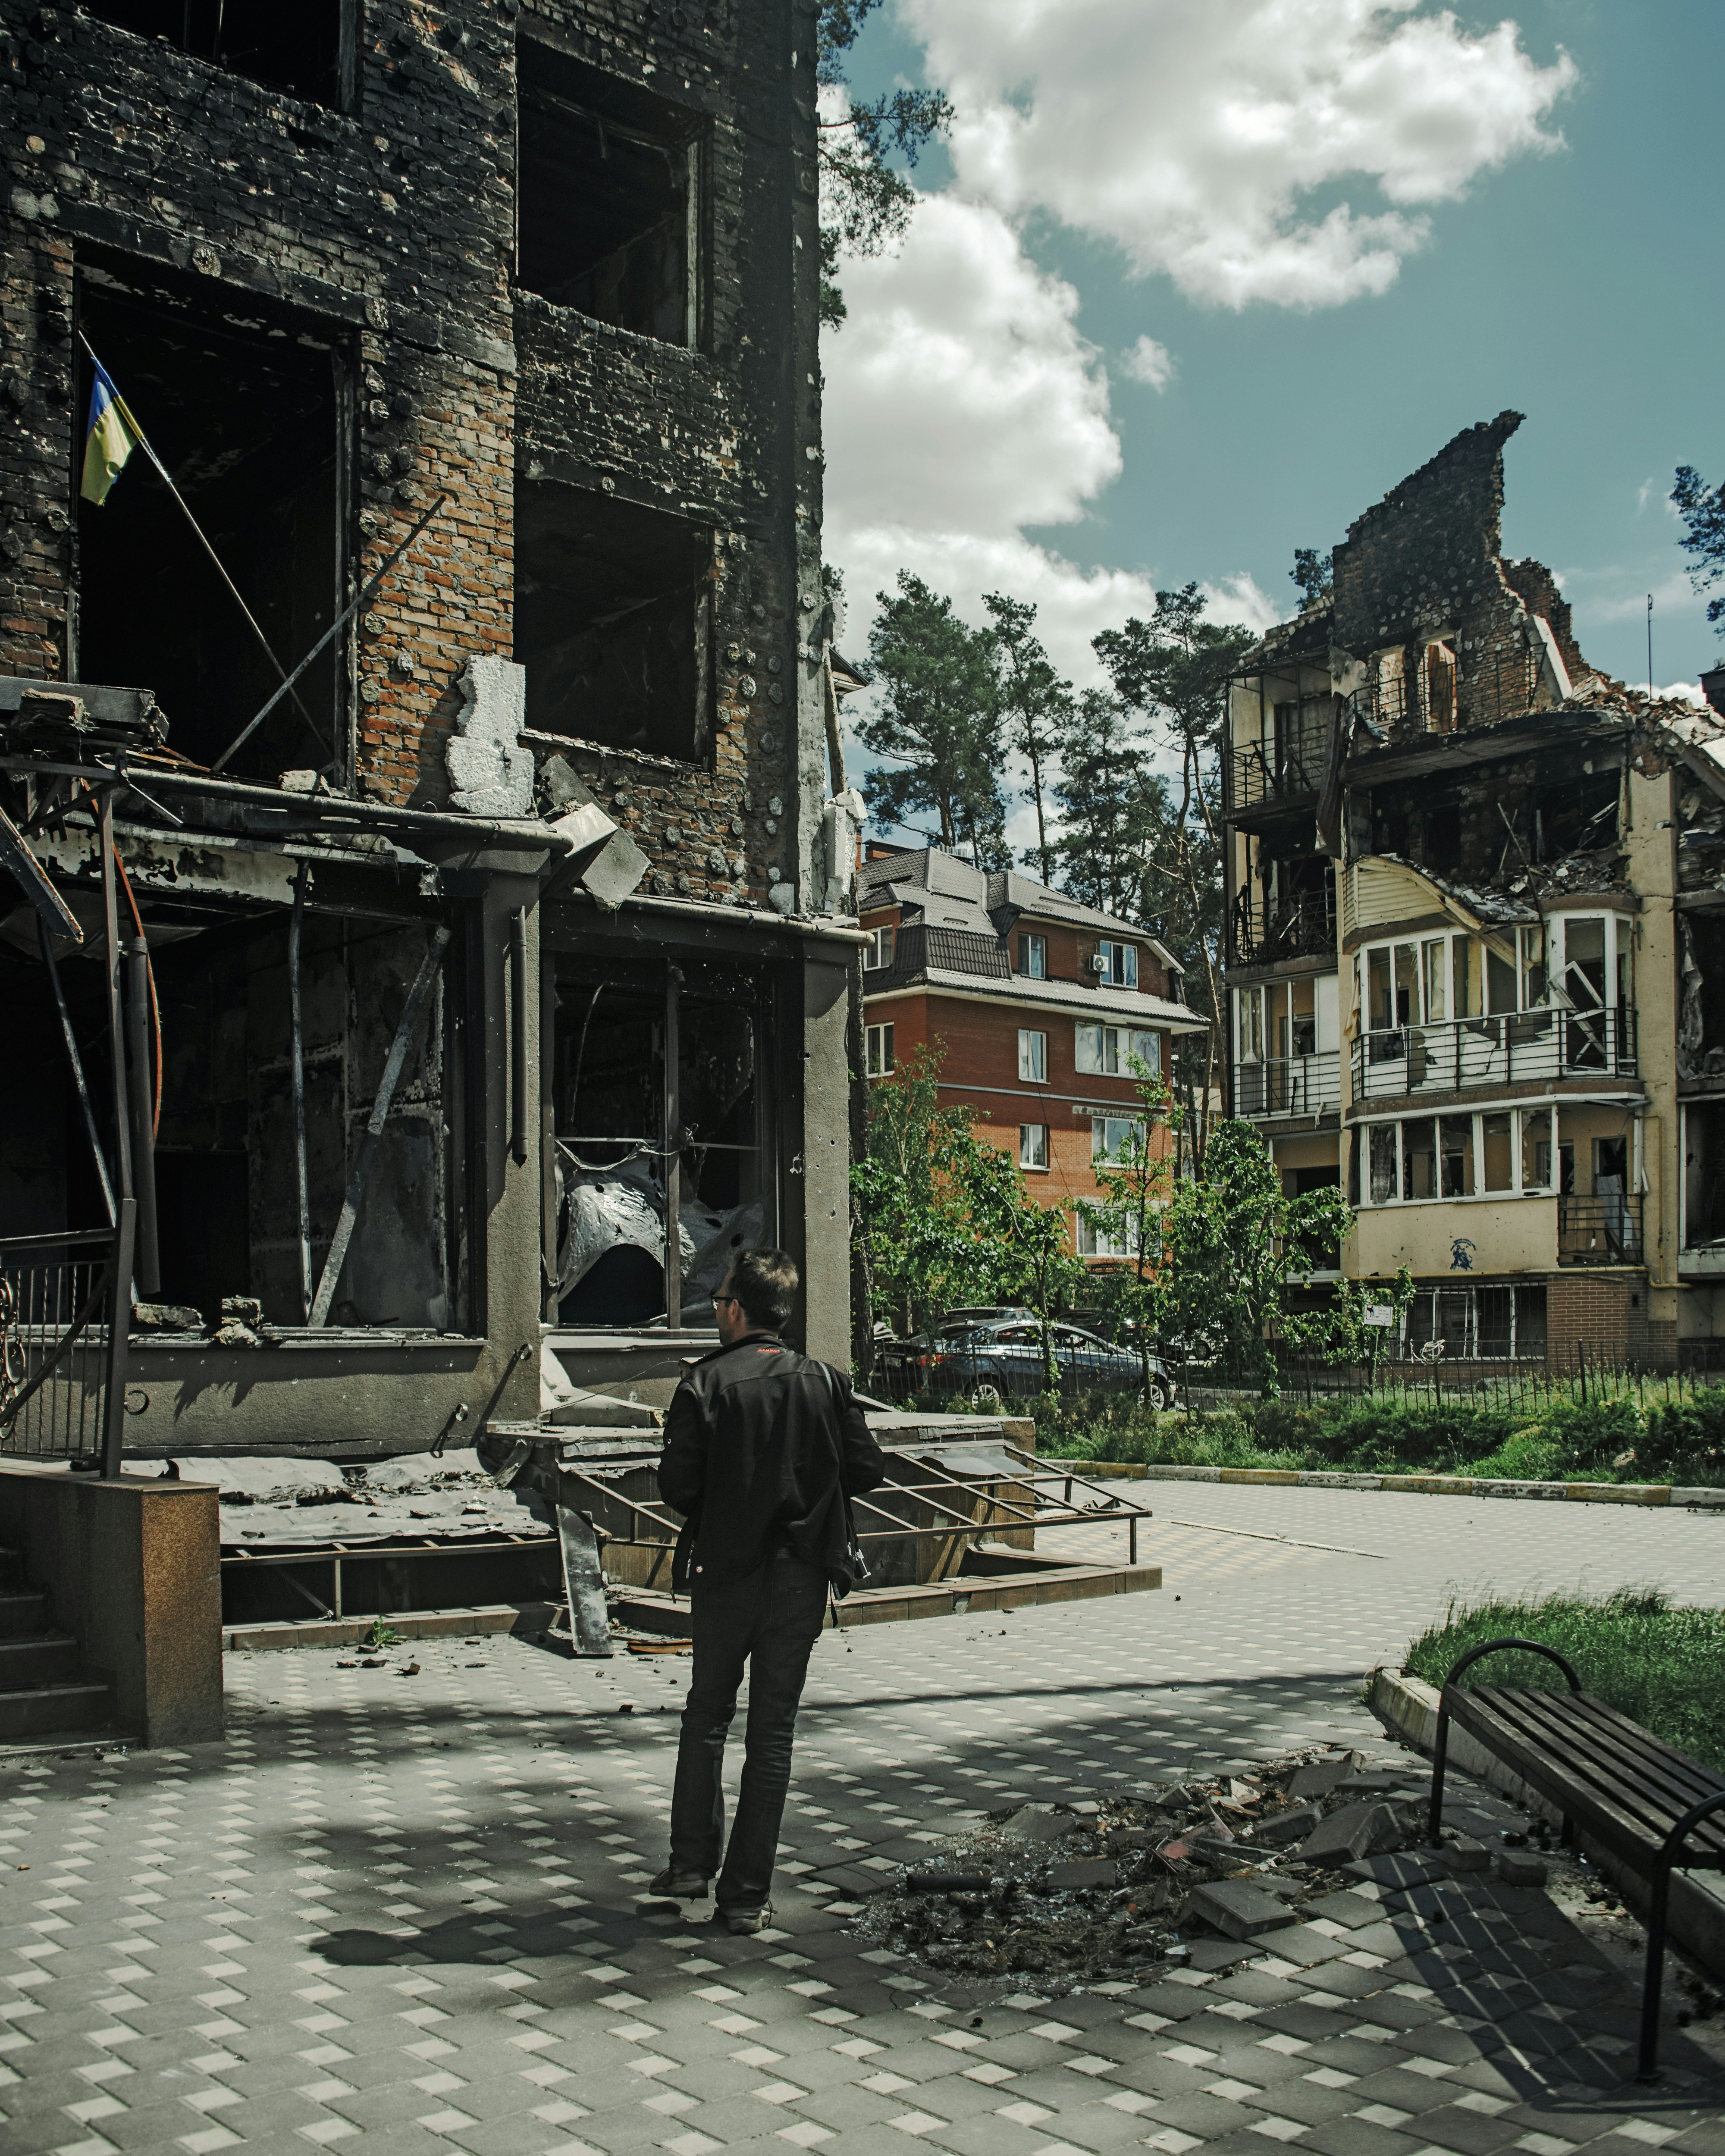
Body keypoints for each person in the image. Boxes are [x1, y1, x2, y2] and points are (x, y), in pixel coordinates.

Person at [649, 1246, 884, 1934]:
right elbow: (867, 1469)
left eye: (720, 1302)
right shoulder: (827, 1382)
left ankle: (693, 1864)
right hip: (801, 1577)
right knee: (772, 1734)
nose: (717, 1311)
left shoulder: (704, 1384)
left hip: (724, 1575)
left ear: (740, 1310)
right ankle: (746, 1897)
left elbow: (677, 1488)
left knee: (706, 1717)